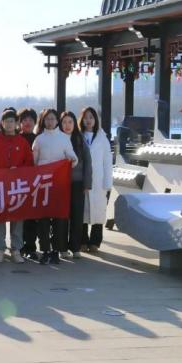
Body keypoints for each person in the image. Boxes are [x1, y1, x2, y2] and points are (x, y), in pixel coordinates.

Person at [32, 108, 78, 265]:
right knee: (43, 219)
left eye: (52, 119)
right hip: (43, 184)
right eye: (47, 119)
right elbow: (34, 162)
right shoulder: (39, 139)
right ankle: (45, 249)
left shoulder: (64, 138)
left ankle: (56, 250)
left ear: (57, 120)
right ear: (43, 121)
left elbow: (72, 156)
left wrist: (72, 160)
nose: (50, 122)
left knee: (59, 219)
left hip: (59, 183)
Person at [0, 108, 34, 263]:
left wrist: (19, 170)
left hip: (17, 185)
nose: (9, 124)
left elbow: (29, 163)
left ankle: (16, 249)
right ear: (2, 123)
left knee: (17, 217)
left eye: (12, 121)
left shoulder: (22, 142)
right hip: (0, 185)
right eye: (6, 121)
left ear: (17, 123)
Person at [80, 106, 113, 253]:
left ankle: (95, 241)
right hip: (83, 179)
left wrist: (107, 182)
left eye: (91, 117)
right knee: (82, 211)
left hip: (99, 180)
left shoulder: (102, 138)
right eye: (85, 117)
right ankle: (82, 240)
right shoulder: (78, 136)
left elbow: (107, 162)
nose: (88, 120)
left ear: (95, 120)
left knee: (98, 211)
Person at [60, 110, 91, 260]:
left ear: (74, 124)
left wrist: (87, 183)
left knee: (77, 216)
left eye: (70, 122)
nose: (67, 125)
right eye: (64, 122)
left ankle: (75, 247)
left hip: (78, 183)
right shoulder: (58, 139)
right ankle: (62, 247)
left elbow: (88, 162)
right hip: (61, 184)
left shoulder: (80, 139)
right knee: (62, 217)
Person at [17, 107, 39, 259]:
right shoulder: (15, 138)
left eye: (30, 119)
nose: (27, 122)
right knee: (19, 217)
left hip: (35, 184)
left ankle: (31, 246)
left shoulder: (39, 139)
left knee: (31, 217)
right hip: (18, 184)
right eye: (24, 119)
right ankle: (18, 246)